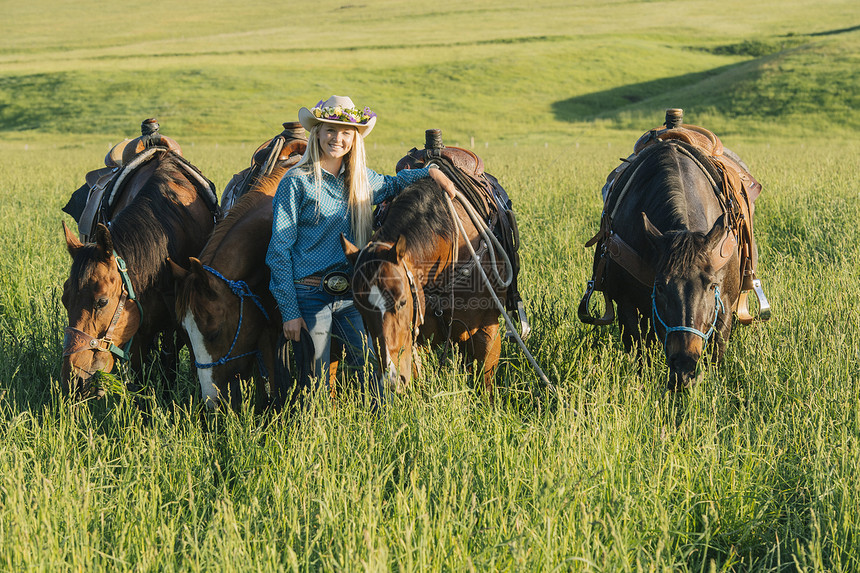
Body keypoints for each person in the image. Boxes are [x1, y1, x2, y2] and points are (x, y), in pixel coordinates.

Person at [266, 95, 456, 402]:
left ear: (354, 139)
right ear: (317, 133)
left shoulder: (361, 180)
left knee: (372, 370)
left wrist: (431, 172)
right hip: (310, 294)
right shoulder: (296, 183)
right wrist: (289, 310)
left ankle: (377, 437)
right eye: (329, 130)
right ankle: (316, 439)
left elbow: (396, 184)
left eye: (345, 132)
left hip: (354, 294)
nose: (336, 138)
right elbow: (279, 250)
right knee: (314, 383)